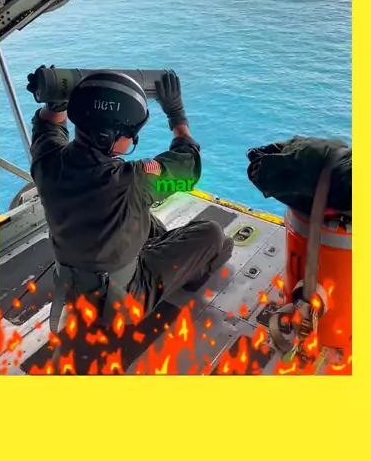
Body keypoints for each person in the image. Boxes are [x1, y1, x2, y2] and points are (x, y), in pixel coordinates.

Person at [27, 68, 233, 332]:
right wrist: (176, 115)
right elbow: (187, 173)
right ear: (106, 136)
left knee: (141, 214)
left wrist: (56, 102)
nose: (134, 138)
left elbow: (48, 124)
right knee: (212, 234)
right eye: (131, 133)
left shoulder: (47, 160)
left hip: (71, 287)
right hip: (120, 302)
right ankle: (194, 274)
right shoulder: (133, 182)